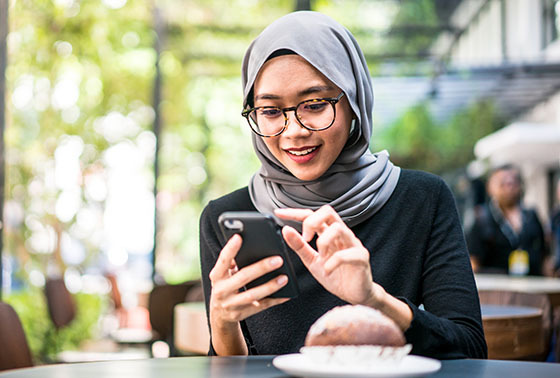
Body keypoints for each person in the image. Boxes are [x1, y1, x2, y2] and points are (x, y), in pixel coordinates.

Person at [199, 11, 487, 359]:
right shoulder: (226, 216)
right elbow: (229, 367)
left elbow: (469, 349)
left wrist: (374, 299)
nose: (294, 131)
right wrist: (222, 323)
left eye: (316, 104)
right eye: (271, 111)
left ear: (353, 100)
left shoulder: (422, 199)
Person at [466, 165, 548, 276]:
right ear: (490, 187)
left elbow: (544, 254)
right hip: (496, 288)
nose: (509, 185)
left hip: (531, 286)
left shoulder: (531, 215)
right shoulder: (482, 218)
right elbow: (473, 261)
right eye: (502, 182)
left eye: (514, 181)